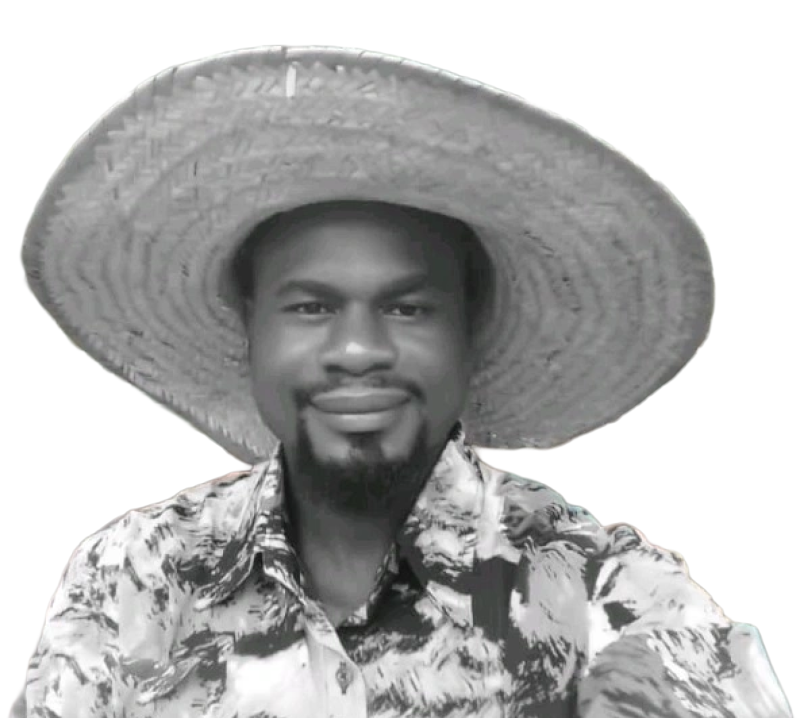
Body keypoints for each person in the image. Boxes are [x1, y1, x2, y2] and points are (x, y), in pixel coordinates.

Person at [13, 45, 791, 718]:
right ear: (251, 329)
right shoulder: (132, 581)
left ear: (468, 332)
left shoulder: (616, 602)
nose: (357, 349)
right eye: (312, 306)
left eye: (409, 307)